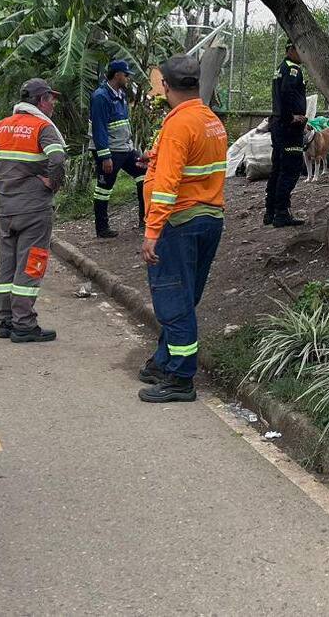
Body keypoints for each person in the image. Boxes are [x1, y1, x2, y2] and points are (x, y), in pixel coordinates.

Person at [138, 56, 227, 403]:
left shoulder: (178, 125)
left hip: (179, 222)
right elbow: (197, 167)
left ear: (166, 87)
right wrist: (157, 160)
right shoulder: (210, 119)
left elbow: (167, 188)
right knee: (186, 297)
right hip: (209, 218)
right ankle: (164, 362)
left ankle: (180, 377)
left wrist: (152, 230)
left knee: (174, 299)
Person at [0, 78, 66, 343]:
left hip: (7, 207)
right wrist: (52, 183)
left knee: (8, 265)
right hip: (34, 208)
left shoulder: (3, 125)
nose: (53, 104)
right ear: (39, 100)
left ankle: (5, 321)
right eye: (50, 98)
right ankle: (24, 324)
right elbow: (58, 159)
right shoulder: (43, 128)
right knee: (31, 263)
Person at [89, 59, 147, 238]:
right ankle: (102, 228)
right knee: (104, 189)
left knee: (144, 175)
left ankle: (144, 220)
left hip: (125, 149)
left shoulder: (120, 94)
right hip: (110, 151)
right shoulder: (101, 96)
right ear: (117, 75)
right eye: (126, 74)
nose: (128, 77)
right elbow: (99, 128)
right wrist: (105, 156)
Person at [264, 41, 308, 227]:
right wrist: (292, 117)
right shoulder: (292, 69)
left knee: (278, 168)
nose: (303, 55)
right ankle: (281, 213)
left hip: (278, 125)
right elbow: (286, 93)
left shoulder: (281, 68)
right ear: (291, 50)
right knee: (291, 168)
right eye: (301, 50)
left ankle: (271, 212)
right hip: (288, 127)